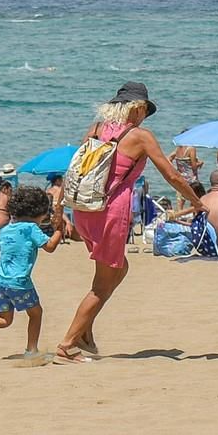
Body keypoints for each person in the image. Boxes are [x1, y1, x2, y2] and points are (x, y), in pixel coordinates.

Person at [56, 82, 205, 363]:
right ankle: (66, 346)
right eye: (144, 111)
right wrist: (196, 201)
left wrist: (58, 205)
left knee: (119, 269)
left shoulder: (96, 129)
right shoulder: (140, 136)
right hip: (110, 212)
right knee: (103, 284)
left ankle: (84, 331)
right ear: (136, 108)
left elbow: (75, 167)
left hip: (84, 209)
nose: (144, 117)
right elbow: (171, 175)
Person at [0, 186, 64, 361]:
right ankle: (31, 350)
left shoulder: (5, 230)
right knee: (36, 313)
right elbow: (50, 247)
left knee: (5, 319)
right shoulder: (31, 228)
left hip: (0, 282)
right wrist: (58, 231)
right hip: (20, 282)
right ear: (39, 212)